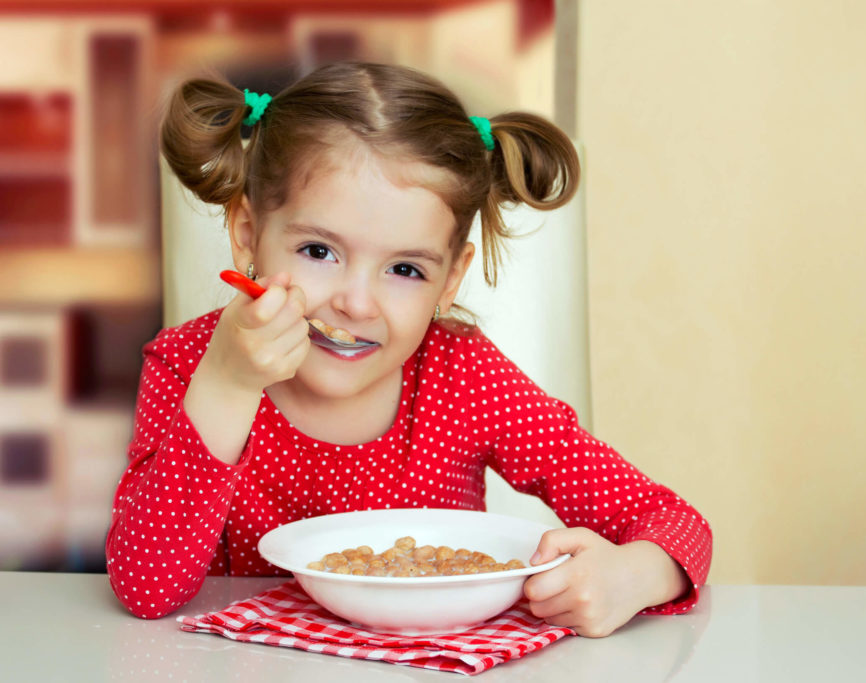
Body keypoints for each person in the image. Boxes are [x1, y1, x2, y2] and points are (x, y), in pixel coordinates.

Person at [106, 61, 712, 637]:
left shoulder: (466, 379)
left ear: (450, 281)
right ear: (247, 236)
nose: (357, 303)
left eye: (404, 269)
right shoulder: (190, 364)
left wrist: (631, 575)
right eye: (319, 251)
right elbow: (144, 587)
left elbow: (676, 523)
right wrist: (226, 384)